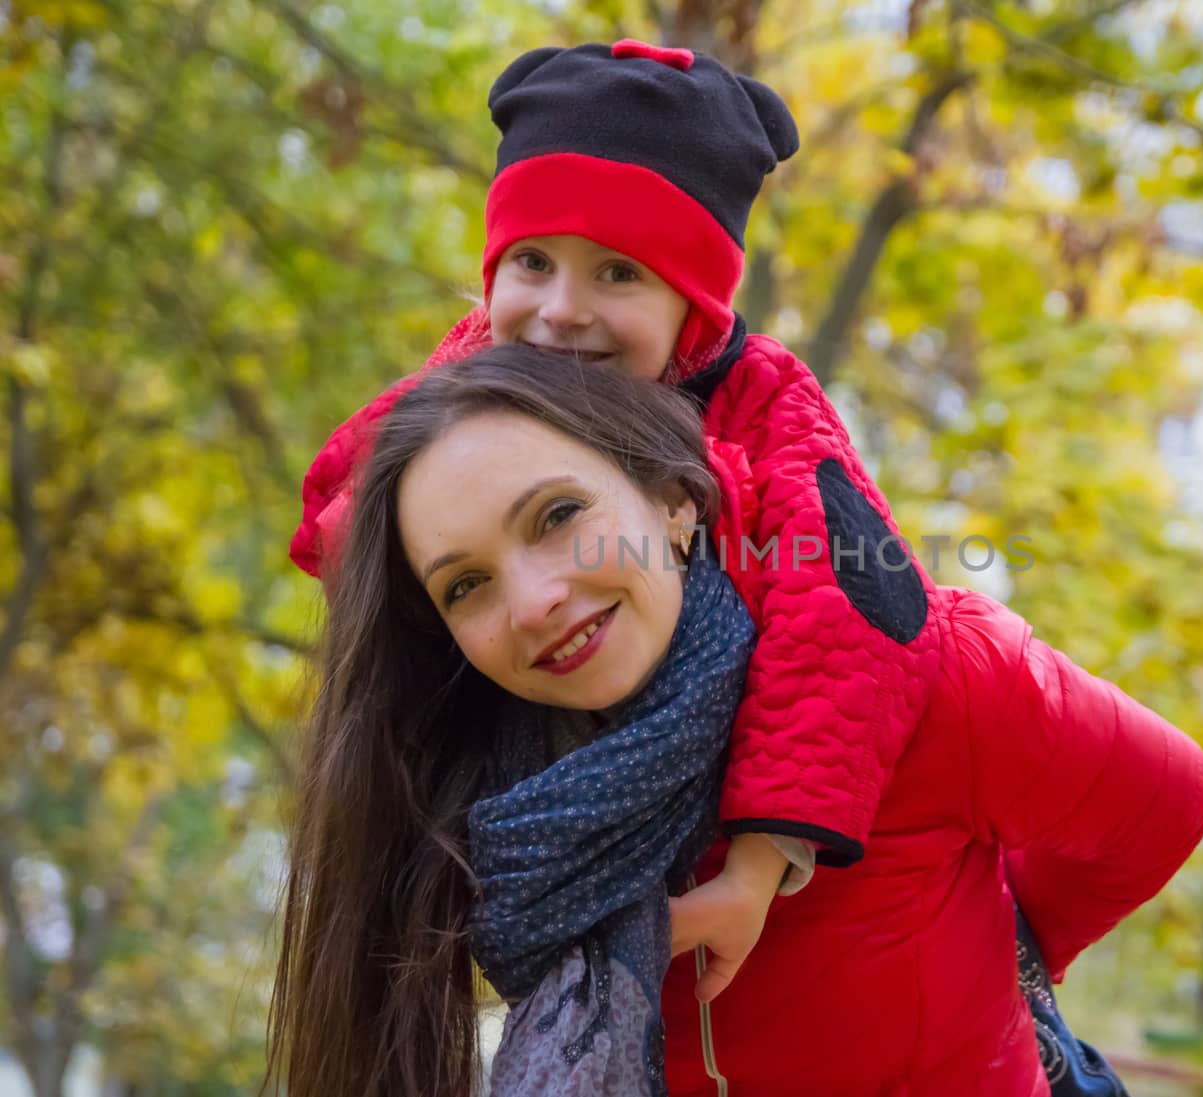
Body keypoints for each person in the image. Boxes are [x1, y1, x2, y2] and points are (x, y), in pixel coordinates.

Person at [267, 347, 1203, 1097]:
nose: (532, 601)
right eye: (465, 584)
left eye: (558, 516)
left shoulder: (926, 673)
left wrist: (1004, 960)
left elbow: (1164, 806)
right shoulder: (483, 813)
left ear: (677, 504)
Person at [285, 40, 947, 998]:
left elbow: (852, 616)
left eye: (619, 275)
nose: (560, 311)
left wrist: (756, 867)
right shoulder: (466, 384)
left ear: (697, 305)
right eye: (533, 262)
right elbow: (347, 510)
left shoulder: (768, 410)